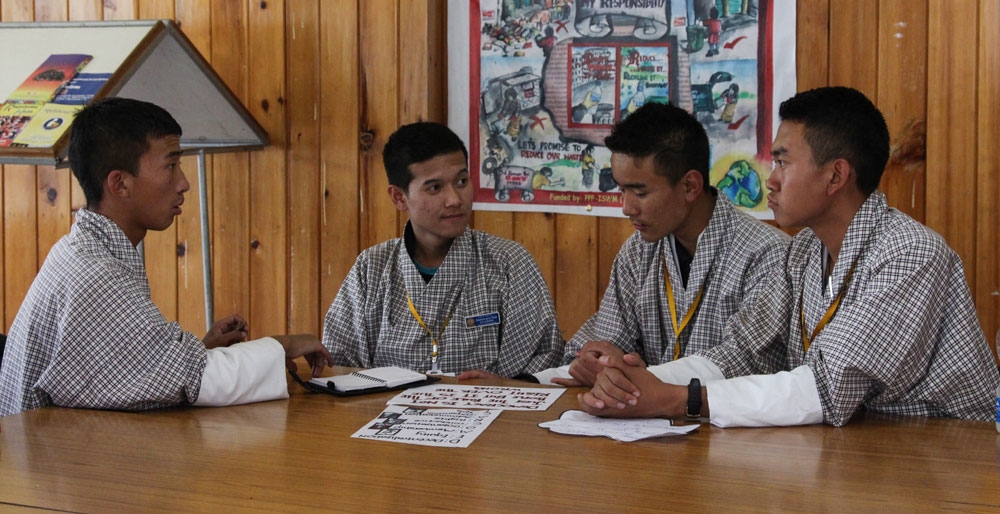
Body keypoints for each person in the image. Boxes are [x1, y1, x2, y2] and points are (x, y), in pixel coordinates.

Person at [580, 86, 1000, 426]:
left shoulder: (910, 253)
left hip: (947, 452)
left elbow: (824, 389)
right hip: (858, 447)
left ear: (835, 175)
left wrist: (677, 399)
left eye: (782, 162)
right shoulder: (803, 252)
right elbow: (744, 352)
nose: (771, 180)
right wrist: (637, 383)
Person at [0, 97, 332, 417]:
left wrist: (201, 350)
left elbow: (146, 372)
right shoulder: (94, 272)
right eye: (170, 166)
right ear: (120, 184)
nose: (184, 183)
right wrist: (283, 345)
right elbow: (196, 379)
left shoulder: (84, 248)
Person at [462, 101, 788, 386]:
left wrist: (631, 375)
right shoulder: (638, 251)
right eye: (621, 189)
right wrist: (526, 383)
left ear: (690, 186)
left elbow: (742, 362)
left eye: (640, 192)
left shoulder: (767, 254)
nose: (627, 208)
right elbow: (604, 345)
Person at [322, 121, 563, 377]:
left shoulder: (508, 262)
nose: (455, 200)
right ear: (399, 197)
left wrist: (505, 385)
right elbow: (339, 366)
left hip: (488, 403)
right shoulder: (372, 268)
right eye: (435, 188)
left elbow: (543, 362)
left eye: (461, 181)